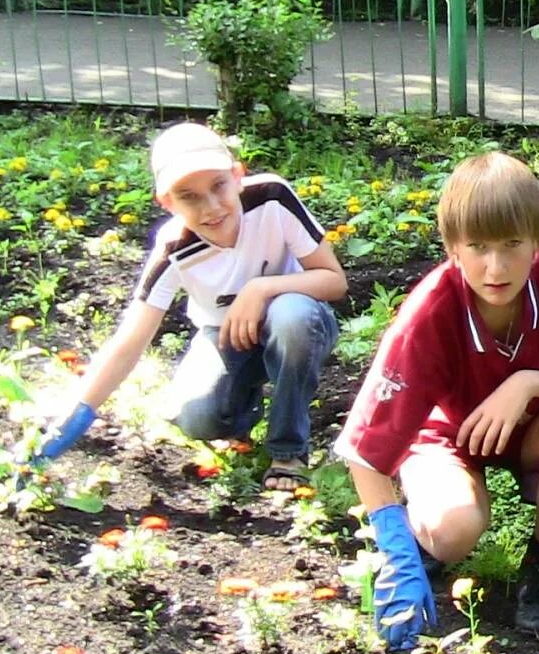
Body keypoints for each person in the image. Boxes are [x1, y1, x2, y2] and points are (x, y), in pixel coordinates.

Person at [335, 152, 539, 647]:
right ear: (453, 248)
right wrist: (395, 548)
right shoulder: (430, 311)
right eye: (478, 246)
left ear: (538, 240)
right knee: (454, 531)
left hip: (534, 429)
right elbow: (364, 448)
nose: (496, 266)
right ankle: (423, 534)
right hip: (448, 436)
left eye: (513, 243)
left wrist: (527, 383)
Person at [31, 122, 346, 492]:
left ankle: (288, 452)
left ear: (237, 175)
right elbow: (129, 342)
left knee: (292, 316)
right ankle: (245, 406)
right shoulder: (173, 249)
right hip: (225, 335)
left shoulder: (272, 198)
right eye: (189, 196)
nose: (211, 207)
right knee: (198, 420)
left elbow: (333, 280)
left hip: (297, 319)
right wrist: (74, 417)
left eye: (218, 186)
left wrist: (262, 288)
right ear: (166, 202)